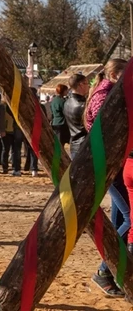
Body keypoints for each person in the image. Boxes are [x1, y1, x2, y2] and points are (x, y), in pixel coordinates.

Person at [87, 59, 129, 298]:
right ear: (114, 74)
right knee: (130, 220)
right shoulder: (104, 95)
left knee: (118, 219)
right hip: (107, 163)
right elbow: (106, 128)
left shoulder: (106, 90)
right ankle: (104, 271)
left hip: (114, 163)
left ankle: (112, 271)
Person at [63, 73, 90, 158]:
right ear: (81, 85)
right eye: (87, 83)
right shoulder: (83, 105)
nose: (89, 86)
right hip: (85, 146)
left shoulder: (66, 102)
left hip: (74, 144)